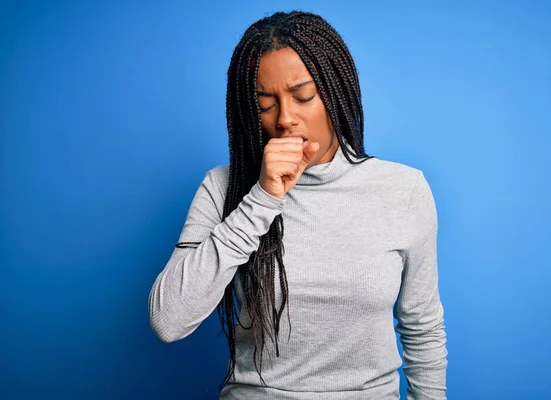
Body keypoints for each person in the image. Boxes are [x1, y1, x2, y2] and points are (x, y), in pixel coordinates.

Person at [148, 10, 448, 400]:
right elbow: (168, 320)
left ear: (335, 92)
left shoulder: (403, 190)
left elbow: (422, 327)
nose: (286, 118)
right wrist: (262, 198)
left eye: (303, 96)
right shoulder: (225, 187)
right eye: (265, 104)